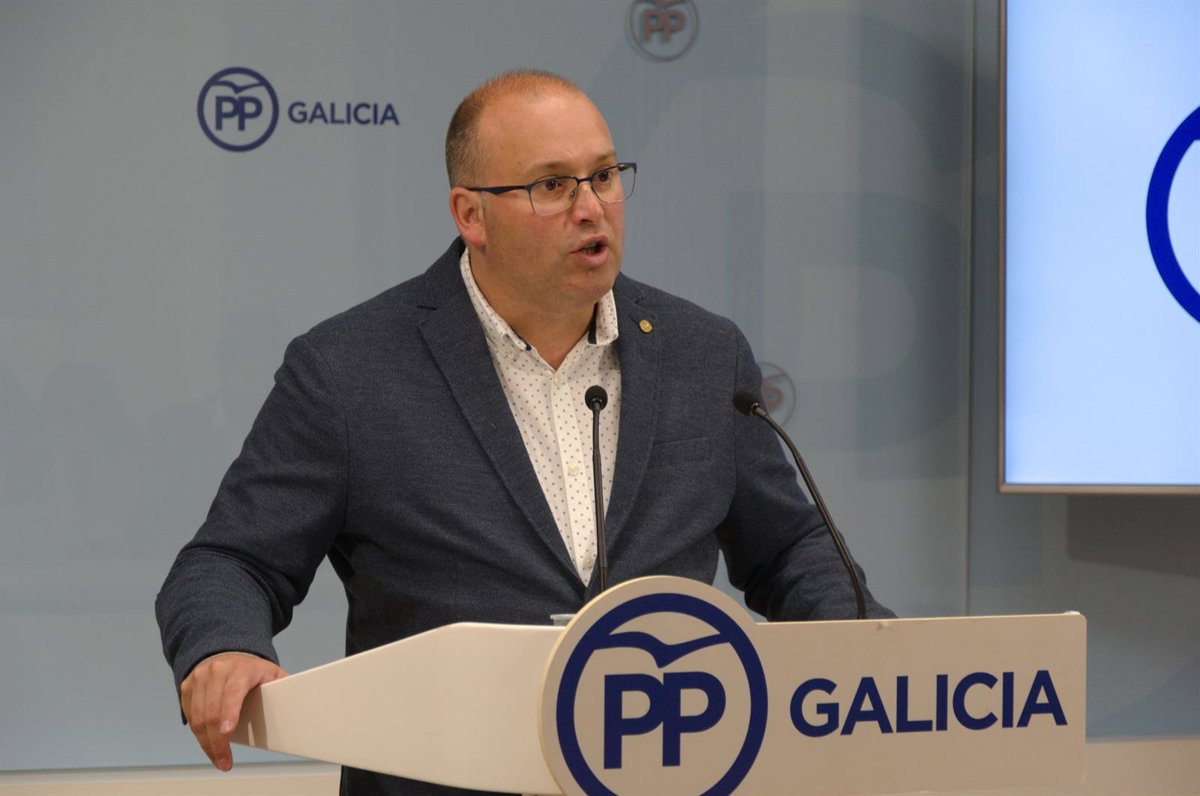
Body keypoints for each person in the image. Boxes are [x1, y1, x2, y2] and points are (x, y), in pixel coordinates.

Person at [156, 69, 892, 795]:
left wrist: (880, 659)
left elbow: (788, 549)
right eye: (553, 185)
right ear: (471, 215)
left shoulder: (704, 354)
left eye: (604, 176)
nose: (591, 207)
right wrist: (223, 646)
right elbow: (230, 561)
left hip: (667, 772)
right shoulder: (350, 371)